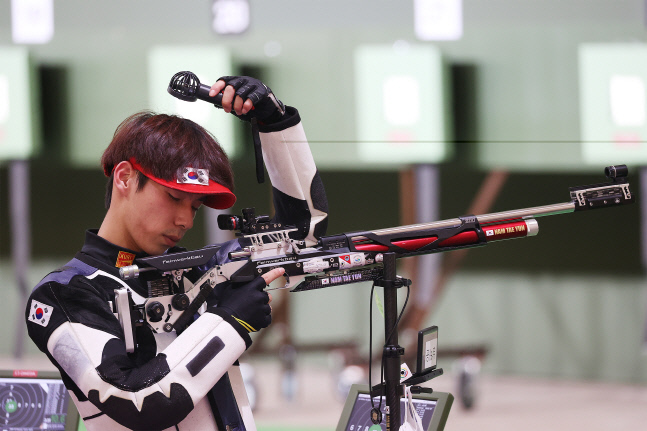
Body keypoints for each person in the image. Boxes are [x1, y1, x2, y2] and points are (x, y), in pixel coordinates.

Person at [25, 75, 329, 430]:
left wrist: (274, 123)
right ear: (124, 178)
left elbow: (301, 240)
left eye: (197, 206)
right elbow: (139, 402)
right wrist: (229, 322)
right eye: (174, 198)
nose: (185, 219)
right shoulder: (63, 294)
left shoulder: (199, 270)